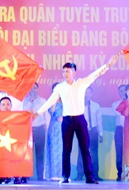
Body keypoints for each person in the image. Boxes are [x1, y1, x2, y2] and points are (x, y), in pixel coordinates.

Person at [35, 56, 119, 184]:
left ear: (74, 72)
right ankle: (65, 176)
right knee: (66, 150)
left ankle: (89, 177)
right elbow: (50, 102)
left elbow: (96, 74)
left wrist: (107, 65)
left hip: (80, 120)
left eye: (68, 71)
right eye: (63, 71)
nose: (65, 74)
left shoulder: (81, 83)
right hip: (67, 120)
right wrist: (37, 113)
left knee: (85, 149)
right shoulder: (60, 87)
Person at [77, 86, 102, 181]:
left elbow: (99, 120)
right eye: (85, 92)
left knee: (94, 153)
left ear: (92, 94)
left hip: (94, 131)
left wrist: (101, 133)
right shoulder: (79, 105)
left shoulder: (96, 106)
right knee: (81, 152)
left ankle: (95, 174)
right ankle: (79, 175)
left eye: (89, 92)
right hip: (83, 131)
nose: (87, 94)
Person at [23, 83, 47, 181]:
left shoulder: (43, 101)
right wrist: (30, 101)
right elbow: (23, 112)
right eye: (31, 88)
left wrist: (46, 127)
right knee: (28, 154)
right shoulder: (24, 101)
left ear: (38, 89)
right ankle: (26, 176)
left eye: (35, 88)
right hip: (28, 130)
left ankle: (40, 176)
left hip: (40, 129)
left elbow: (46, 115)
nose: (33, 90)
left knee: (40, 153)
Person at [43, 82, 63, 181]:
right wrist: (54, 100)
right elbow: (51, 112)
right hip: (54, 127)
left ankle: (63, 174)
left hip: (63, 127)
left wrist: (64, 118)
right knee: (53, 150)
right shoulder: (51, 101)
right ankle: (53, 174)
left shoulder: (66, 100)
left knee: (63, 150)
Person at [110, 84, 126, 182]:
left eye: (124, 90)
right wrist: (123, 102)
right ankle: (119, 173)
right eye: (121, 91)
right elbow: (118, 112)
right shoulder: (115, 104)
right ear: (119, 93)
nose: (123, 92)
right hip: (119, 129)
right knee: (119, 152)